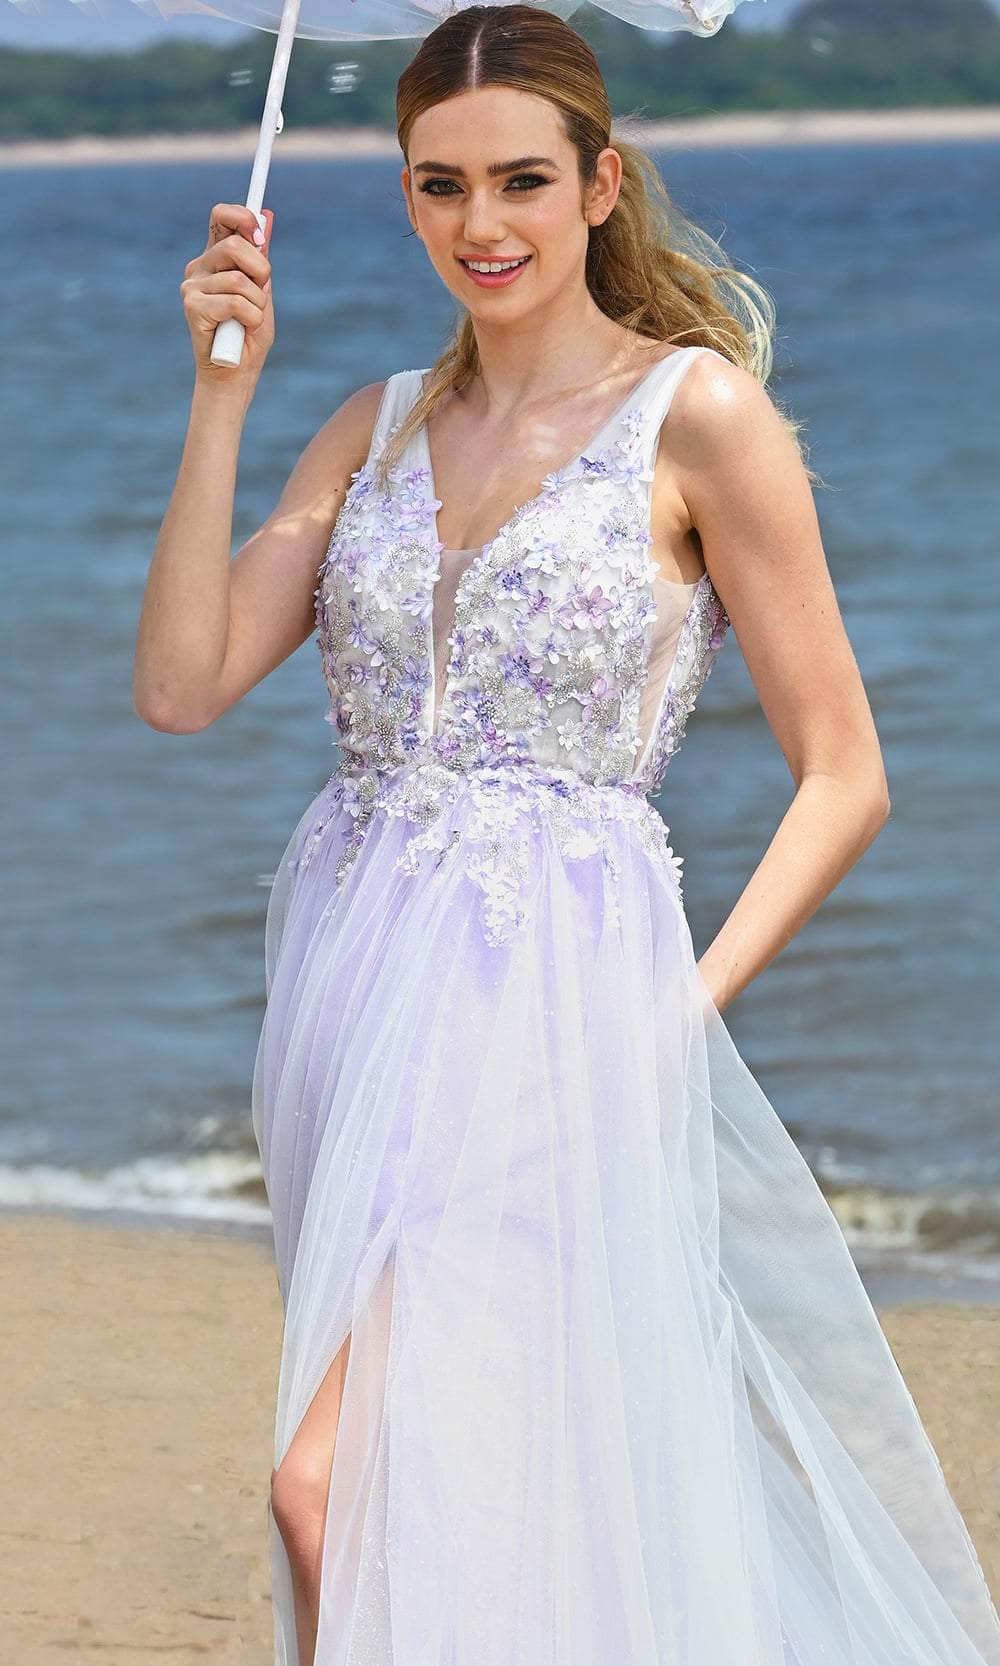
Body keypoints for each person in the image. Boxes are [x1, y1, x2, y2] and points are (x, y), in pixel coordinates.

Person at [132, 7, 1000, 1664]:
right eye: (440, 184)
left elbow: (846, 772)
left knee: (333, 1483)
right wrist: (219, 394)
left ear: (600, 184)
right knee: (442, 1493)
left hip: (557, 1012)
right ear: (403, 193)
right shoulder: (375, 425)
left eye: (522, 180)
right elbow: (180, 685)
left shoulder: (699, 418)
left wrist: (672, 1017)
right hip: (348, 1005)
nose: (483, 223)